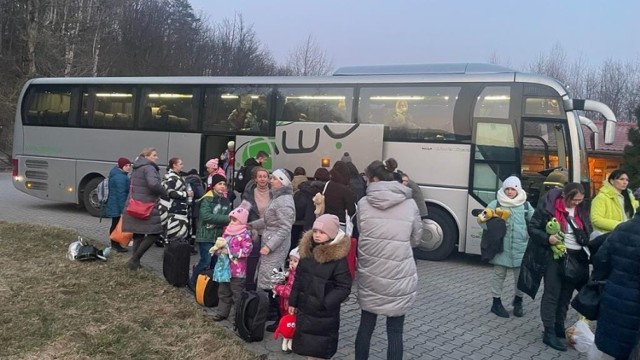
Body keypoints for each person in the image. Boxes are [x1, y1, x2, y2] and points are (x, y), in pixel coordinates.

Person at [354, 160, 422, 360]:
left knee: (366, 326)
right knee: (395, 332)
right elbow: (417, 238)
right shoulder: (410, 203)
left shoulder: (363, 204)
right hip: (398, 273)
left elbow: (362, 230)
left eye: (367, 178)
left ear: (373, 178)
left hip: (371, 272)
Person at [518, 183, 592, 352]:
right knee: (552, 293)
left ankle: (560, 325)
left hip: (577, 258)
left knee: (566, 295)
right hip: (554, 256)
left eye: (580, 200)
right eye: (574, 200)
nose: (576, 203)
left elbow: (588, 228)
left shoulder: (582, 208)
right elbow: (533, 227)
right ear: (564, 195)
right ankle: (549, 331)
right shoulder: (549, 207)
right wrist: (547, 238)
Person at [288, 214, 352, 360]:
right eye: (315, 231)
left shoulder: (337, 259)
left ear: (331, 234)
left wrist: (325, 302)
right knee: (308, 347)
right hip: (305, 309)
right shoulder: (307, 252)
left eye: (322, 232)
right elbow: (298, 278)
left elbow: (344, 286)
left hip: (324, 314)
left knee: (320, 348)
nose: (317, 235)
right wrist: (293, 300)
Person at [590, 210, 640, 359]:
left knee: (612, 346)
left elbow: (600, 259)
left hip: (614, 295)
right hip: (634, 304)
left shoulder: (622, 228)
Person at [482, 176, 533, 318]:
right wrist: (495, 228)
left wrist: (528, 232)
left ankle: (518, 301)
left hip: (520, 247)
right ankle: (496, 303)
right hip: (500, 247)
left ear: (518, 189)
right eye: (507, 189)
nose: (510, 192)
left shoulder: (525, 205)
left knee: (520, 278)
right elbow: (482, 219)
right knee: (499, 275)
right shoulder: (496, 203)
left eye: (513, 189)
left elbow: (535, 221)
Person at [248, 169, 295, 318]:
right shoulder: (277, 198)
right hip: (270, 242)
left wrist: (269, 246)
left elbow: (285, 228)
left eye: (274, 178)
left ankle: (275, 312)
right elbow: (268, 220)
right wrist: (252, 225)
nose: (270, 180)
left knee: (272, 279)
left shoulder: (284, 201)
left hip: (276, 246)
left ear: (282, 182)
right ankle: (270, 310)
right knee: (269, 277)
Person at [122, 147, 166, 270]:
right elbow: (153, 184)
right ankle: (134, 260)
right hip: (146, 206)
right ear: (147, 156)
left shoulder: (137, 167)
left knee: (138, 235)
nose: (156, 158)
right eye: (154, 155)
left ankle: (135, 263)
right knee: (155, 234)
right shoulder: (149, 167)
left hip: (134, 205)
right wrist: (164, 192)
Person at [210, 201, 254, 322]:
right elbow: (221, 243)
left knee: (237, 294)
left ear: (241, 221)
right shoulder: (228, 232)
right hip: (224, 268)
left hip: (237, 271)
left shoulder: (244, 235)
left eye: (234, 220)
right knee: (223, 291)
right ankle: (222, 312)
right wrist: (218, 250)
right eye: (231, 219)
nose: (231, 222)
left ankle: (237, 317)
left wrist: (230, 252)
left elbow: (247, 250)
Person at [190, 173, 231, 287]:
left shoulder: (225, 201)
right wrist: (226, 219)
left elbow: (228, 216)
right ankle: (192, 281)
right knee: (205, 261)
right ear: (213, 186)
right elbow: (206, 216)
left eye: (224, 184)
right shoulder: (207, 199)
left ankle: (209, 286)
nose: (222, 186)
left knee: (215, 262)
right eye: (219, 184)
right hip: (205, 235)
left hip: (218, 237)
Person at [241, 166, 270, 290]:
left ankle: (264, 289)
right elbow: (243, 212)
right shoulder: (248, 194)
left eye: (265, 176)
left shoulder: (274, 194)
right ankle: (249, 289)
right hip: (253, 232)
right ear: (255, 179)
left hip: (269, 233)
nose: (262, 179)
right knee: (252, 261)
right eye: (260, 177)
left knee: (267, 263)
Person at [590, 169, 638, 243]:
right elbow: (596, 219)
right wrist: (621, 225)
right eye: (621, 179)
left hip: (626, 237)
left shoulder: (629, 197)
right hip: (606, 238)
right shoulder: (601, 197)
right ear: (612, 181)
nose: (625, 182)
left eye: (627, 180)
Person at [159, 157, 192, 242]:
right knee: (175, 236)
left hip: (174, 209)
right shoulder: (172, 177)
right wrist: (186, 194)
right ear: (174, 165)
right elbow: (171, 192)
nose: (183, 166)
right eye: (180, 164)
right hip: (174, 210)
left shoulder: (173, 176)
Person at [105, 157, 132, 253]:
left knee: (115, 224)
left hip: (115, 203)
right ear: (121, 166)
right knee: (116, 225)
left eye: (129, 165)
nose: (128, 167)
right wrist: (123, 210)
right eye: (126, 165)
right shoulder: (120, 177)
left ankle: (114, 243)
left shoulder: (119, 174)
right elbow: (121, 195)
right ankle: (115, 244)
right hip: (117, 205)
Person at [271, 247, 300, 333]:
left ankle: (288, 332)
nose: (292, 263)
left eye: (295, 261)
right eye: (291, 260)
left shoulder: (296, 275)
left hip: (290, 303)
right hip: (286, 303)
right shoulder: (291, 272)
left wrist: (277, 287)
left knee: (290, 319)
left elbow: (289, 291)